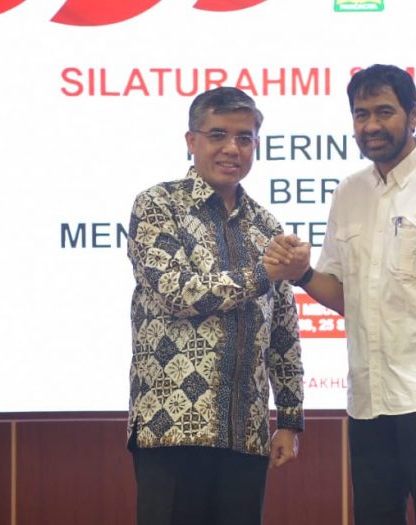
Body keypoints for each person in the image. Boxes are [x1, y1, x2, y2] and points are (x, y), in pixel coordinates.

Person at [264, 64, 416, 525]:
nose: (371, 125)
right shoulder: (349, 192)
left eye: (384, 112)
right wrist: (302, 274)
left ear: (413, 115)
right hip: (368, 401)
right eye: (361, 114)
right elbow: (346, 296)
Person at [126, 86, 305, 525]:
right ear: (192, 141)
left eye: (244, 138)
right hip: (171, 428)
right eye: (218, 135)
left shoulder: (266, 225)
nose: (232, 148)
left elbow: (283, 329)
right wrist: (262, 273)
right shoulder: (158, 205)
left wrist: (290, 418)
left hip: (246, 433)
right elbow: (176, 291)